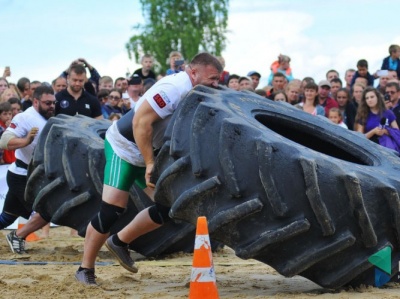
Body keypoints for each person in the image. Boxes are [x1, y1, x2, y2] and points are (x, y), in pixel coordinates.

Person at [74, 52, 222, 286]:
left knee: (167, 208)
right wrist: (151, 163)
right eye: (212, 78)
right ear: (193, 72)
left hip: (147, 152)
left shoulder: (195, 89)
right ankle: (85, 268)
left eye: (218, 79)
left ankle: (120, 242)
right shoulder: (174, 88)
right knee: (111, 210)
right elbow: (140, 123)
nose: (216, 84)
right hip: (124, 147)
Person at [0, 86, 55, 254]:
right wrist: (25, 141)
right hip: (22, 176)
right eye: (47, 103)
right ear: (36, 101)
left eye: (53, 102)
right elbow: (4, 140)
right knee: (46, 211)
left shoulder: (48, 116)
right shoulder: (25, 117)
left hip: (35, 175)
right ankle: (17, 236)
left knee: (7, 217)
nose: (51, 106)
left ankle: (17, 236)